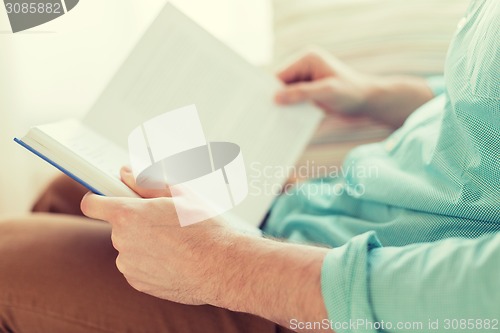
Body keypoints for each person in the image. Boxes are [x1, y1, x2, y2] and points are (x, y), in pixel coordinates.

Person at [1, 0, 498, 332]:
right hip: (326, 212)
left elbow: (482, 295)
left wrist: (226, 265)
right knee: (72, 188)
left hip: (336, 299)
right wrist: (395, 97)